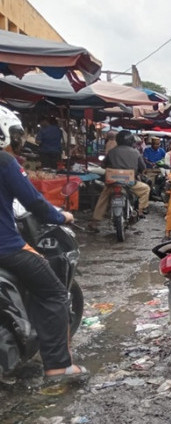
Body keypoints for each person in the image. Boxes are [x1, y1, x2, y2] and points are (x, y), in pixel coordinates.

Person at [0, 105, 87, 379]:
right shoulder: (4, 162)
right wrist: (61, 216)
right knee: (54, 293)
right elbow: (34, 202)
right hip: (6, 248)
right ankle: (59, 365)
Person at [86, 130, 150, 232]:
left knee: (103, 198)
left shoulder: (112, 151)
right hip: (129, 183)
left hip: (112, 183)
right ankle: (140, 210)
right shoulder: (136, 152)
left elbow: (103, 165)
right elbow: (143, 168)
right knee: (146, 189)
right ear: (131, 141)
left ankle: (94, 222)